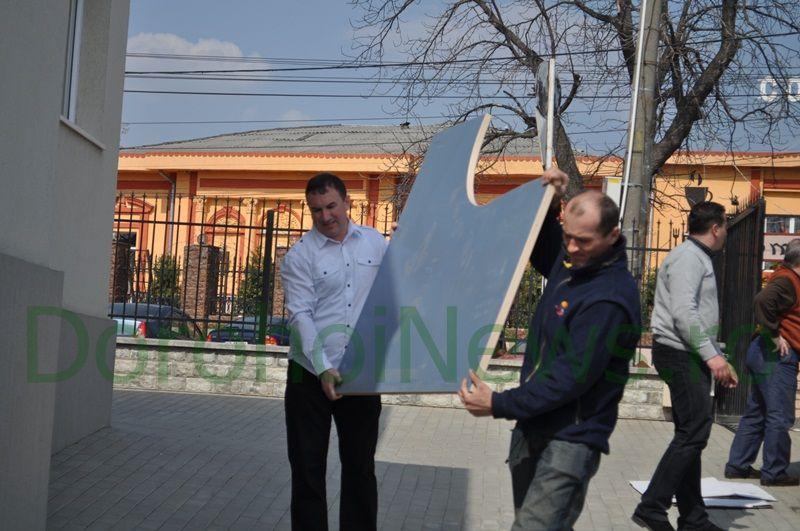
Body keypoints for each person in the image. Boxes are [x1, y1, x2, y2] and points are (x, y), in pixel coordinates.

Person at [459, 167, 642, 530]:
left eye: (583, 241)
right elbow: (541, 244)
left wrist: (498, 403)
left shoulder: (609, 298)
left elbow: (568, 378)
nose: (571, 248)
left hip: (571, 438)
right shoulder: (575, 264)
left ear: (612, 236)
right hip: (534, 427)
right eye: (568, 237)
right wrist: (550, 201)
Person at [280, 172, 388, 531]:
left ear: (347, 203)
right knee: (307, 470)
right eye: (316, 210)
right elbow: (301, 315)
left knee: (360, 468)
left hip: (360, 374)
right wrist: (323, 367)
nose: (325, 216)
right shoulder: (300, 256)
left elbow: (395, 292)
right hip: (307, 373)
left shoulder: (375, 243)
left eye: (331, 206)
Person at [632, 201, 738, 531]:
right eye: (725, 226)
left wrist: (714, 354)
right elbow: (683, 313)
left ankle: (693, 519)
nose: (726, 232)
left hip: (686, 353)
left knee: (689, 433)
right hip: (680, 354)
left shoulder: (694, 257)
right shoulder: (689, 258)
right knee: (695, 431)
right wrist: (712, 356)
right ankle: (652, 506)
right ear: (716, 228)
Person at [724, 238, 800, 487]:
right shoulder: (787, 280)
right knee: (780, 416)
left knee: (757, 412)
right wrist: (775, 334)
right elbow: (762, 301)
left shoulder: (787, 278)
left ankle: (738, 466)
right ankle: (774, 472)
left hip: (763, 352)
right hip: (774, 355)